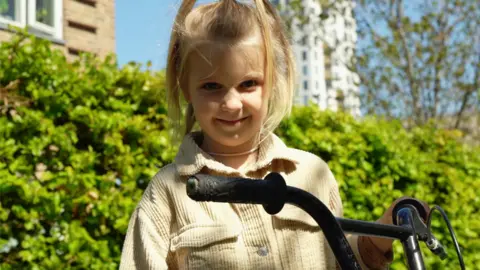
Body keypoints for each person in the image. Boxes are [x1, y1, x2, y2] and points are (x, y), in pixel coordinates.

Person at [119, 0, 402, 269]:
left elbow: (342, 260)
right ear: (184, 86)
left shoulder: (313, 175)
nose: (231, 104)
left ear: (272, 82)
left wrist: (379, 236)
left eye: (248, 83)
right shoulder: (168, 192)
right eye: (211, 86)